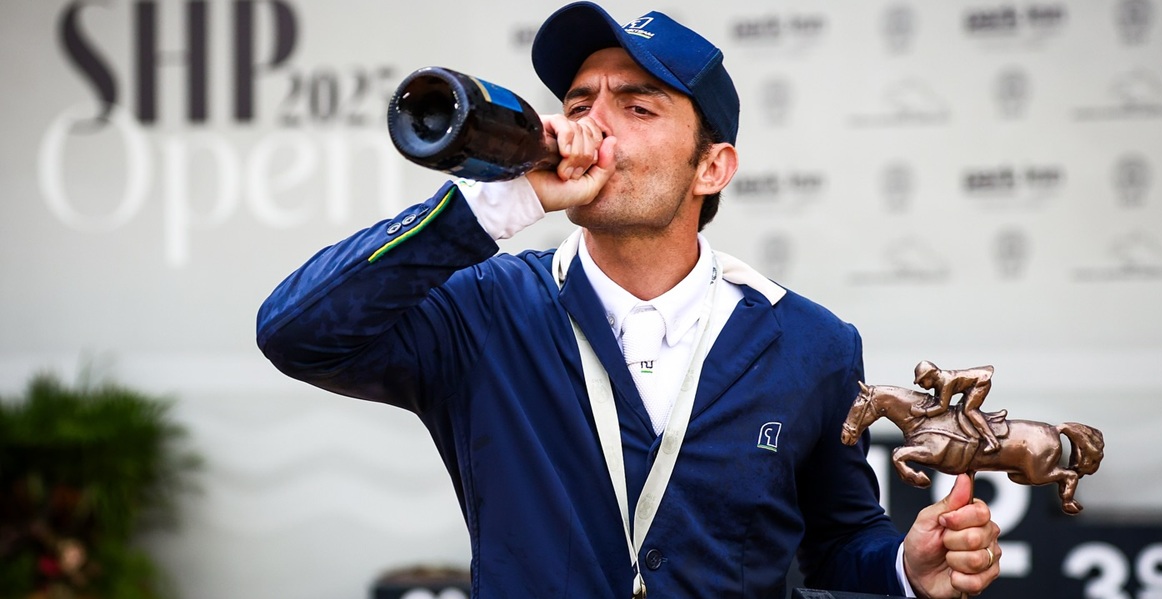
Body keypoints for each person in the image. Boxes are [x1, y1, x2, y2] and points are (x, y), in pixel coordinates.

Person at [257, 2, 1001, 597]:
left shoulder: (811, 342)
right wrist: (488, 208)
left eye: (638, 108)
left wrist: (905, 565)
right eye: (580, 102)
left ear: (712, 166)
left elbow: (839, 541)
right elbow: (295, 331)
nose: (594, 124)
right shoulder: (485, 308)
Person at [913, 361, 1001, 454]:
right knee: (959, 410)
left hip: (980, 383)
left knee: (969, 410)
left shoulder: (946, 381)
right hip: (970, 387)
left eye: (922, 381)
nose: (921, 385)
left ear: (932, 375)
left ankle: (993, 442)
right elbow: (937, 401)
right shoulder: (938, 383)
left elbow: (942, 407)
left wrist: (923, 412)